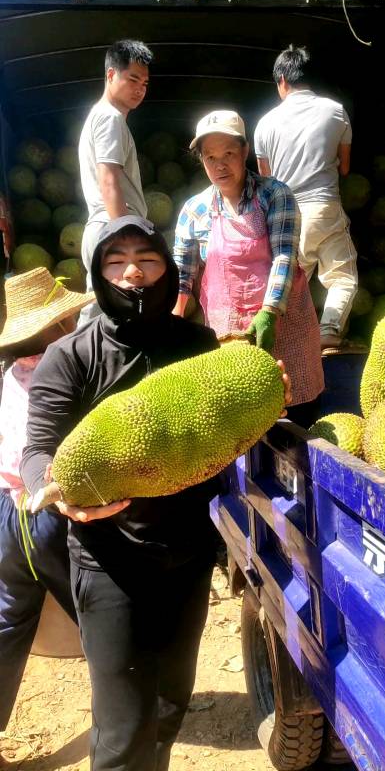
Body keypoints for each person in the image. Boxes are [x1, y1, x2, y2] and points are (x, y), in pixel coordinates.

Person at [20, 215, 290, 771]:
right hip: (107, 561)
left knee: (169, 706)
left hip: (188, 554)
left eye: (147, 259)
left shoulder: (198, 345)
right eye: (115, 262)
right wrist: (53, 489)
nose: (133, 274)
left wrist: (268, 396)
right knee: (122, 729)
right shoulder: (69, 357)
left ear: (169, 269)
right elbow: (37, 452)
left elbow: (223, 428)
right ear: (98, 274)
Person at [172, 109, 324, 427]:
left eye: (228, 153)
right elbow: (182, 277)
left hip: (286, 329)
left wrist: (270, 312)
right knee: (238, 426)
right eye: (210, 157)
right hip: (230, 338)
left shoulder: (275, 194)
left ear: (245, 151)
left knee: (295, 422)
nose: (220, 165)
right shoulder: (194, 211)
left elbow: (284, 256)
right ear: (201, 160)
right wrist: (171, 324)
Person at [0, 268, 94, 753]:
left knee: (10, 617)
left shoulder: (11, 375)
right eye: (69, 317)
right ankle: (126, 711)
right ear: (55, 327)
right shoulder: (61, 374)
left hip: (5, 515)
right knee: (96, 610)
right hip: (45, 513)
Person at [254, 45, 358, 349]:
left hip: (285, 215)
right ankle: (329, 330)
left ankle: (284, 343)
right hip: (324, 206)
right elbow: (347, 168)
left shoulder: (264, 124)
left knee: (290, 285)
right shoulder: (336, 111)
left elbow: (266, 181)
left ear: (282, 80)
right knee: (341, 278)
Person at [78, 39, 153, 323]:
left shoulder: (100, 116)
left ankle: (79, 364)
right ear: (111, 75)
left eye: (145, 83)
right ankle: (74, 365)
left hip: (102, 228)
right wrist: (125, 239)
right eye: (133, 79)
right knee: (110, 317)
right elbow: (108, 179)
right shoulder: (110, 119)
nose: (140, 89)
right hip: (111, 228)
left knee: (103, 315)